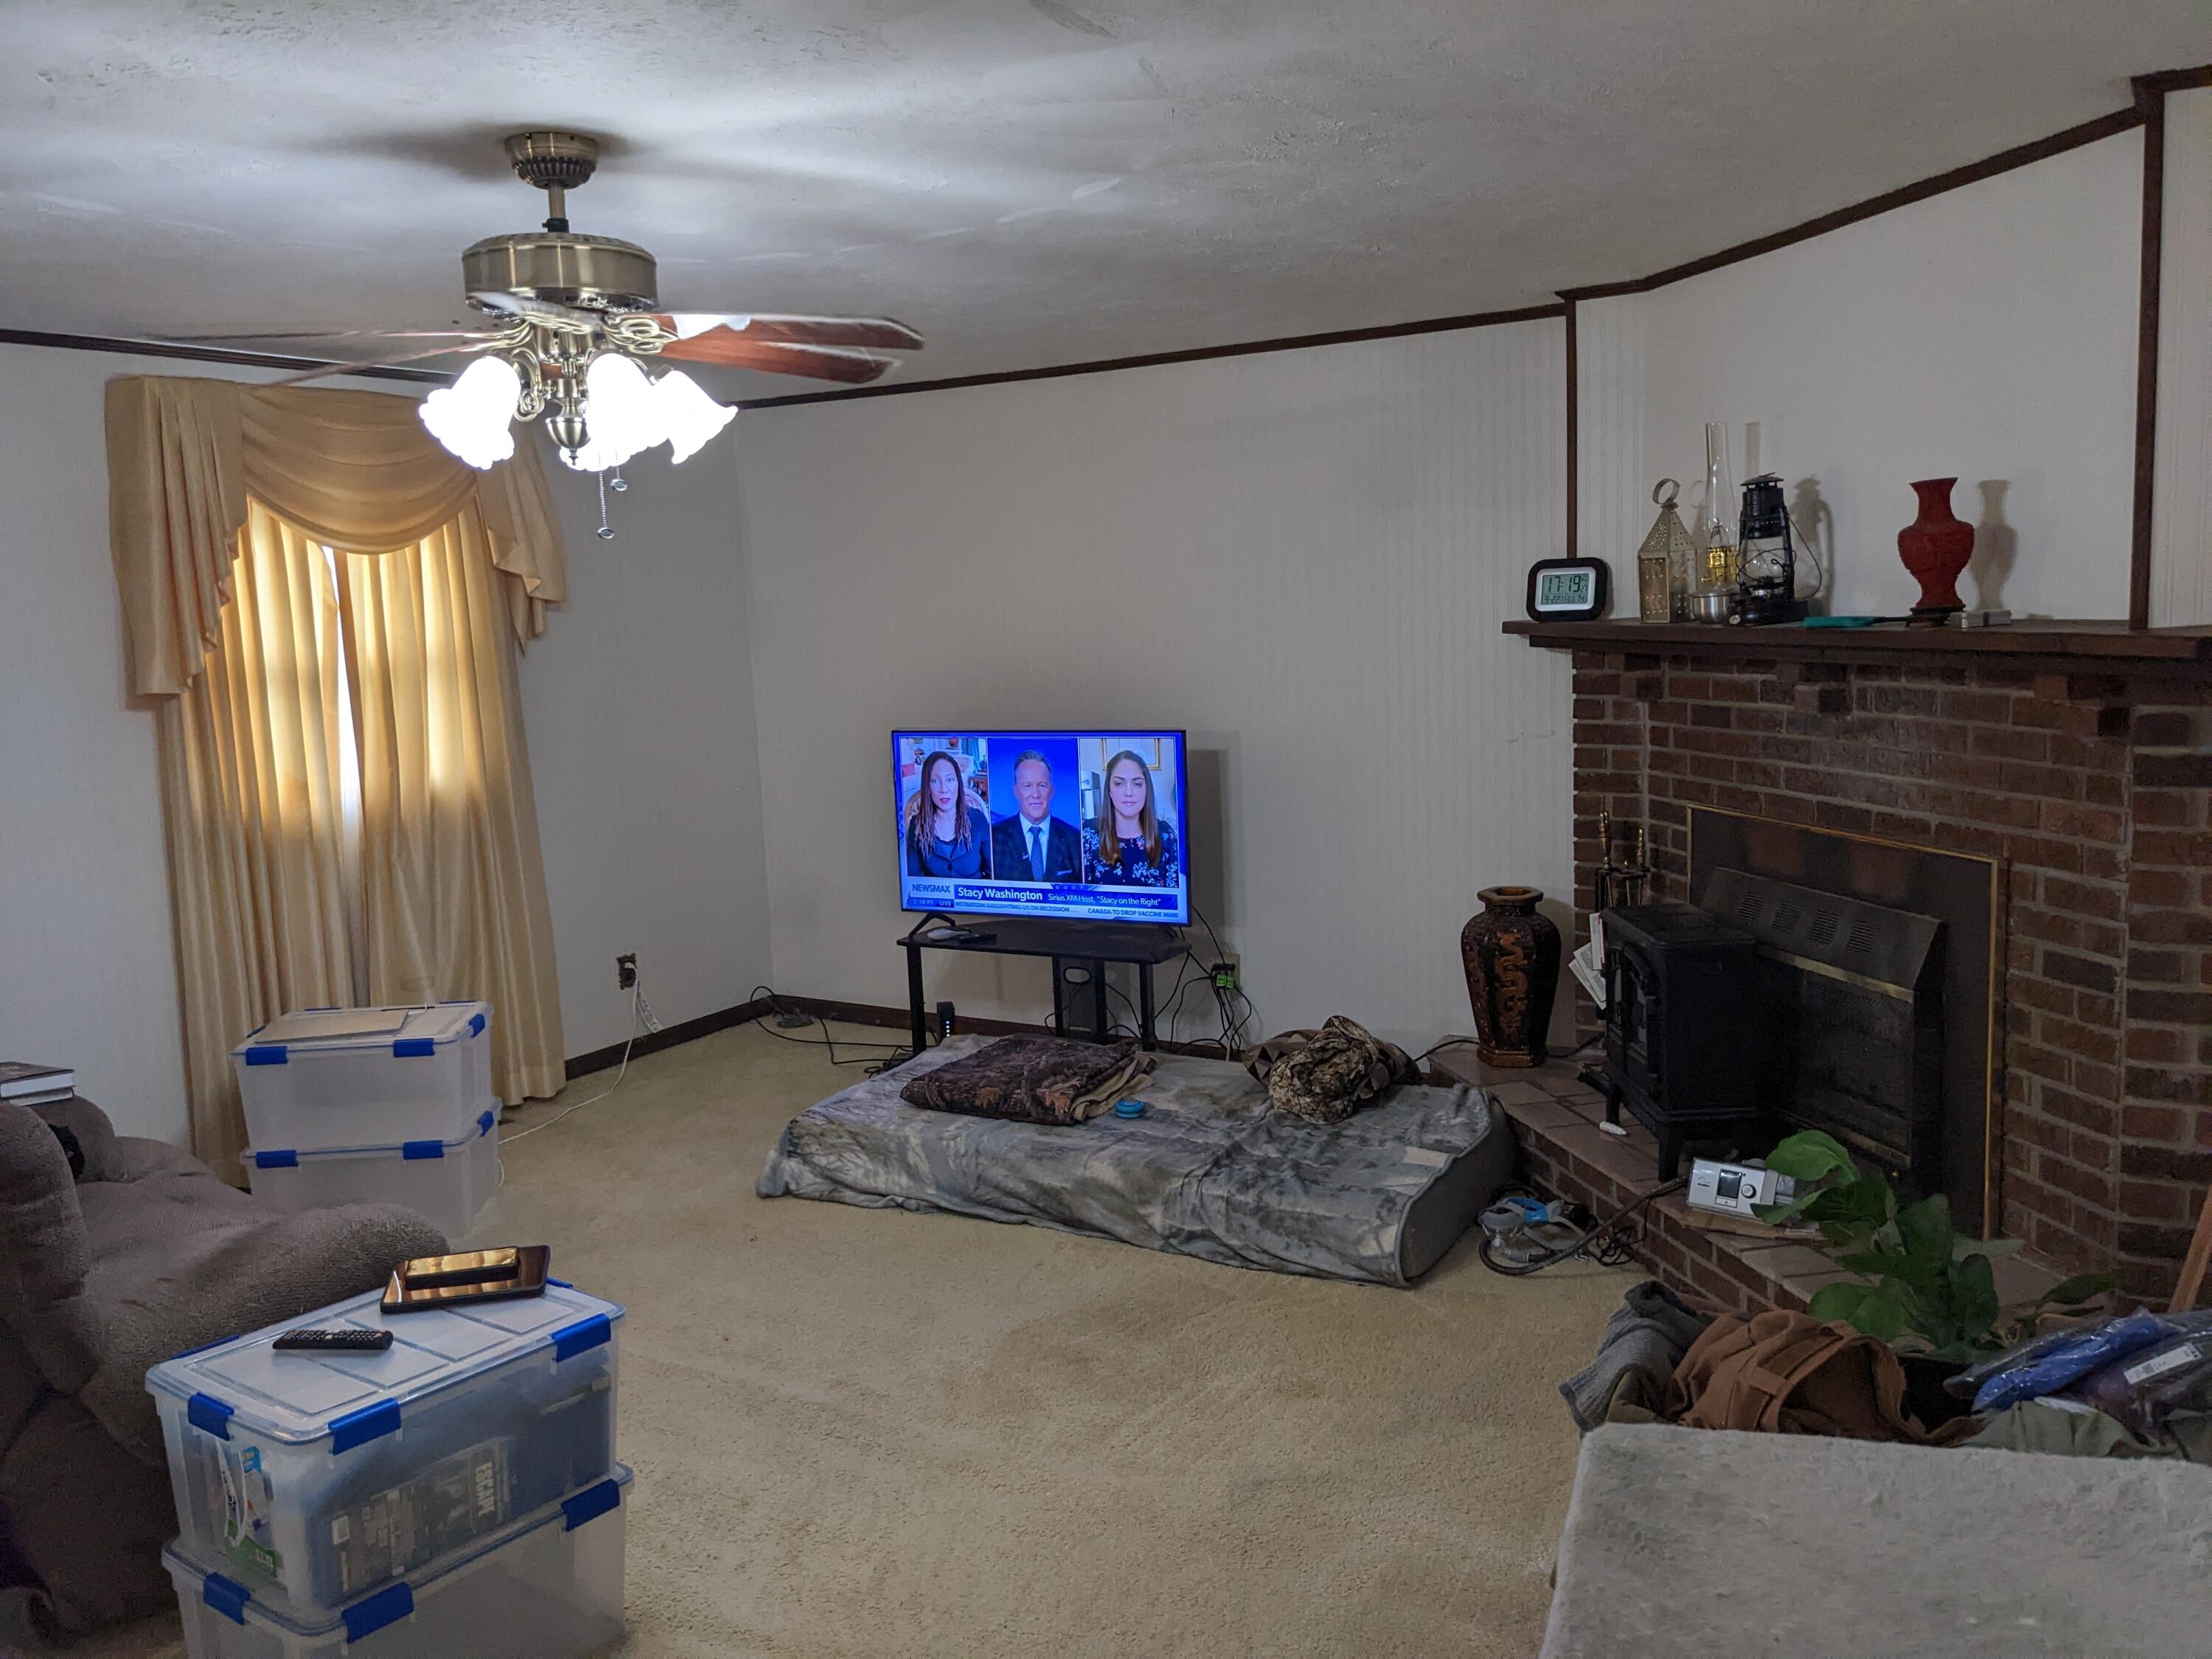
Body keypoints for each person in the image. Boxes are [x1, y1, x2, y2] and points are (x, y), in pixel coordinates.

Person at [1084, 749, 1180, 886]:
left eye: (1137, 784)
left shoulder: (1165, 835)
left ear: (1147, 789)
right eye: (1119, 783)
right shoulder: (1087, 834)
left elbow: (1175, 900)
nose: (1129, 793)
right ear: (1109, 790)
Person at [990, 750, 1083, 883]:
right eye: (1027, 786)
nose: (1035, 794)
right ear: (1016, 790)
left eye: (1042, 786)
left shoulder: (1074, 839)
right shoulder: (994, 838)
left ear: (1052, 790)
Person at [904, 749, 993, 878]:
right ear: (927, 788)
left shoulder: (978, 819)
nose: (944, 789)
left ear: (958, 783)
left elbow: (993, 875)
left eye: (950, 780)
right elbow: (913, 878)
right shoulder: (917, 824)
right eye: (935, 781)